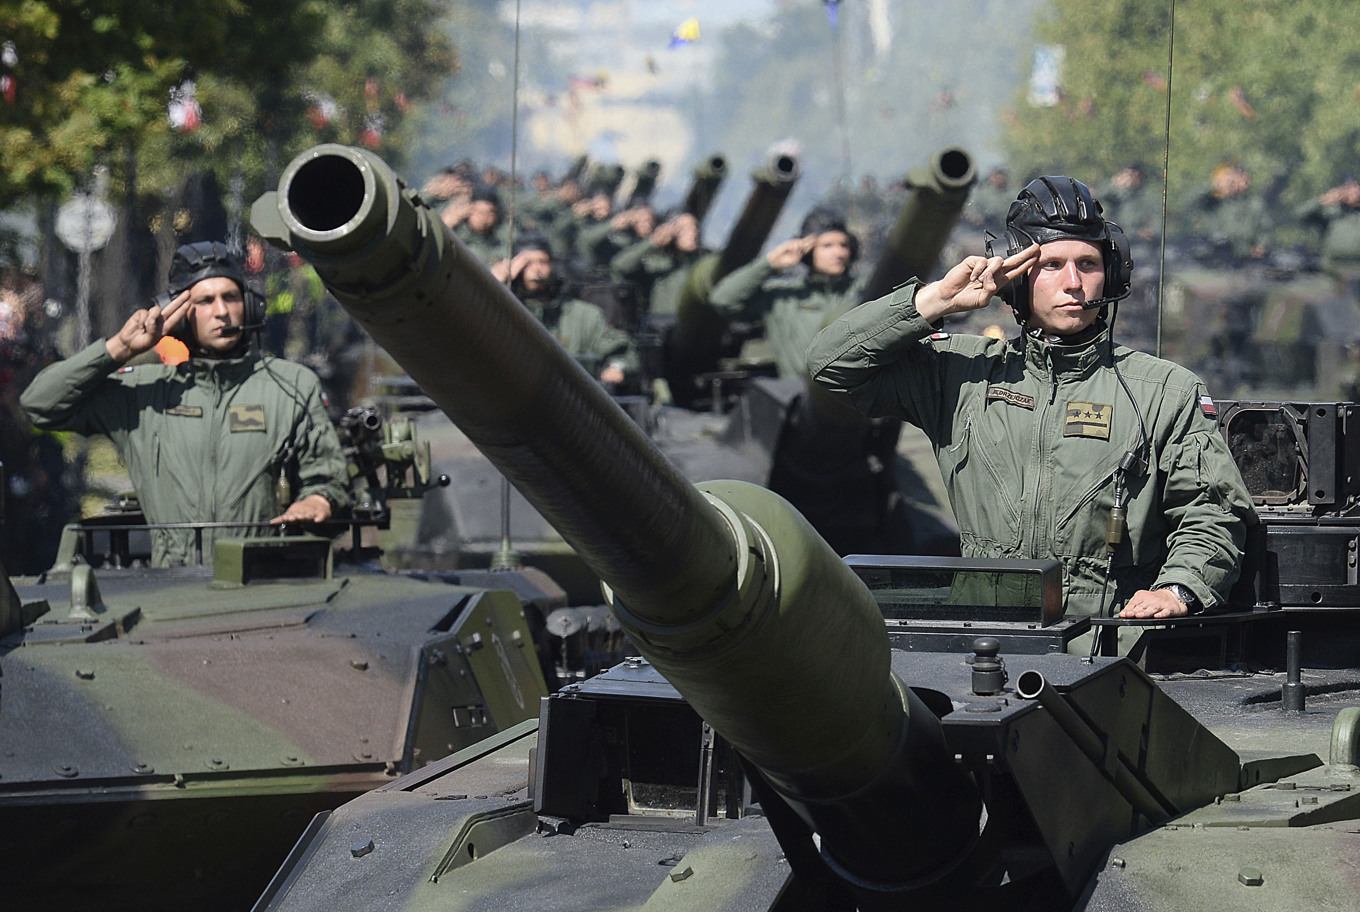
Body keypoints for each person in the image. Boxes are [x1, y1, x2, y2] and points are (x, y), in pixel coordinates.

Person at [807, 176, 1255, 624]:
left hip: (1104, 637)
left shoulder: (1163, 391)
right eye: (1051, 264)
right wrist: (936, 299)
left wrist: (1179, 587)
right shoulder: (961, 375)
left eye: (1088, 264)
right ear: (1017, 277)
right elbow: (831, 364)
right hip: (982, 632)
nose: (1074, 283)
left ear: (1113, 272)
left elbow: (1212, 512)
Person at [21, 241, 349, 567]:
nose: (221, 311)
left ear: (250, 306)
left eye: (231, 297)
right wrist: (118, 348)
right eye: (205, 301)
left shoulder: (291, 385)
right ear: (178, 315)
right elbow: (39, 405)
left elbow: (327, 474)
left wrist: (318, 499)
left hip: (265, 579)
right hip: (171, 584)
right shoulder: (141, 393)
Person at [708, 207, 864, 380]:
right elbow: (722, 300)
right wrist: (770, 263)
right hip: (800, 391)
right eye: (827, 246)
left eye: (843, 245)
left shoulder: (861, 289)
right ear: (808, 251)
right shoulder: (782, 297)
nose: (839, 253)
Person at [491, 232, 639, 388]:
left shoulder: (584, 315)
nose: (537, 269)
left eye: (543, 261)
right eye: (527, 264)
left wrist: (616, 367)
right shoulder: (504, 312)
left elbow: (621, 352)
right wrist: (495, 284)